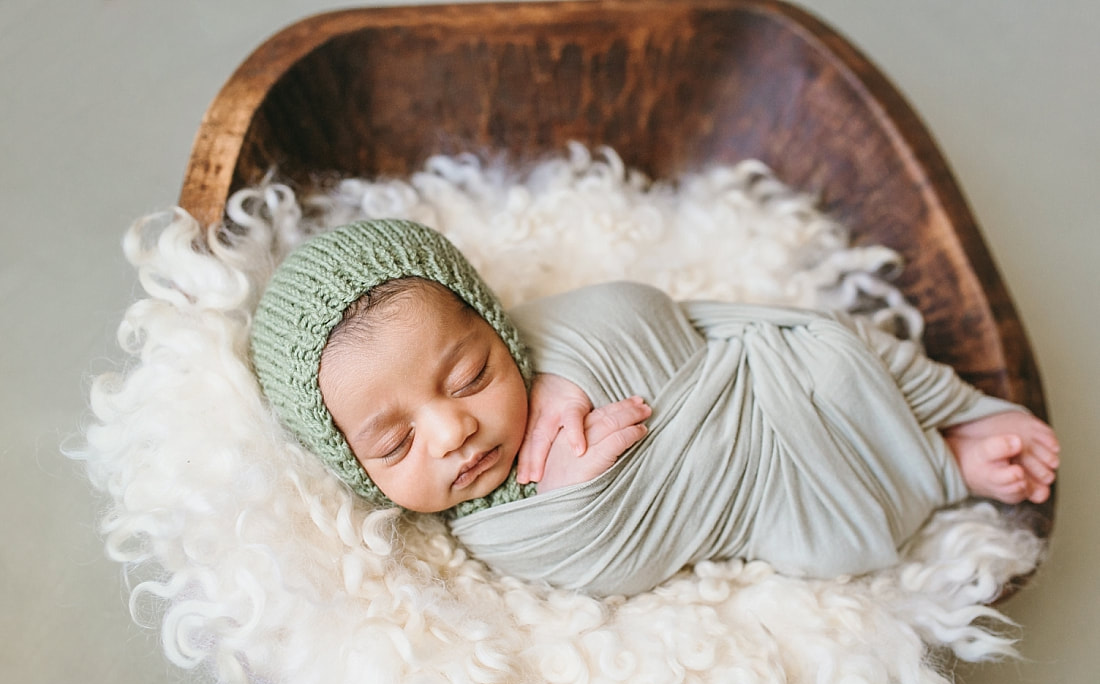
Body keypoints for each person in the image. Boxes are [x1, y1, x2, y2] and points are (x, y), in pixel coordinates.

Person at [250, 220, 1058, 596]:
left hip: (747, 365)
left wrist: (566, 371)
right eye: (393, 444)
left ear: (497, 324)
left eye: (469, 376)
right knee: (838, 543)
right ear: (350, 467)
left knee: (835, 354)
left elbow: (637, 308)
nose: (453, 428)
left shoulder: (544, 341)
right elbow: (618, 561)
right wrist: (576, 492)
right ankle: (944, 467)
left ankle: (956, 409)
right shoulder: (498, 534)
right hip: (755, 493)